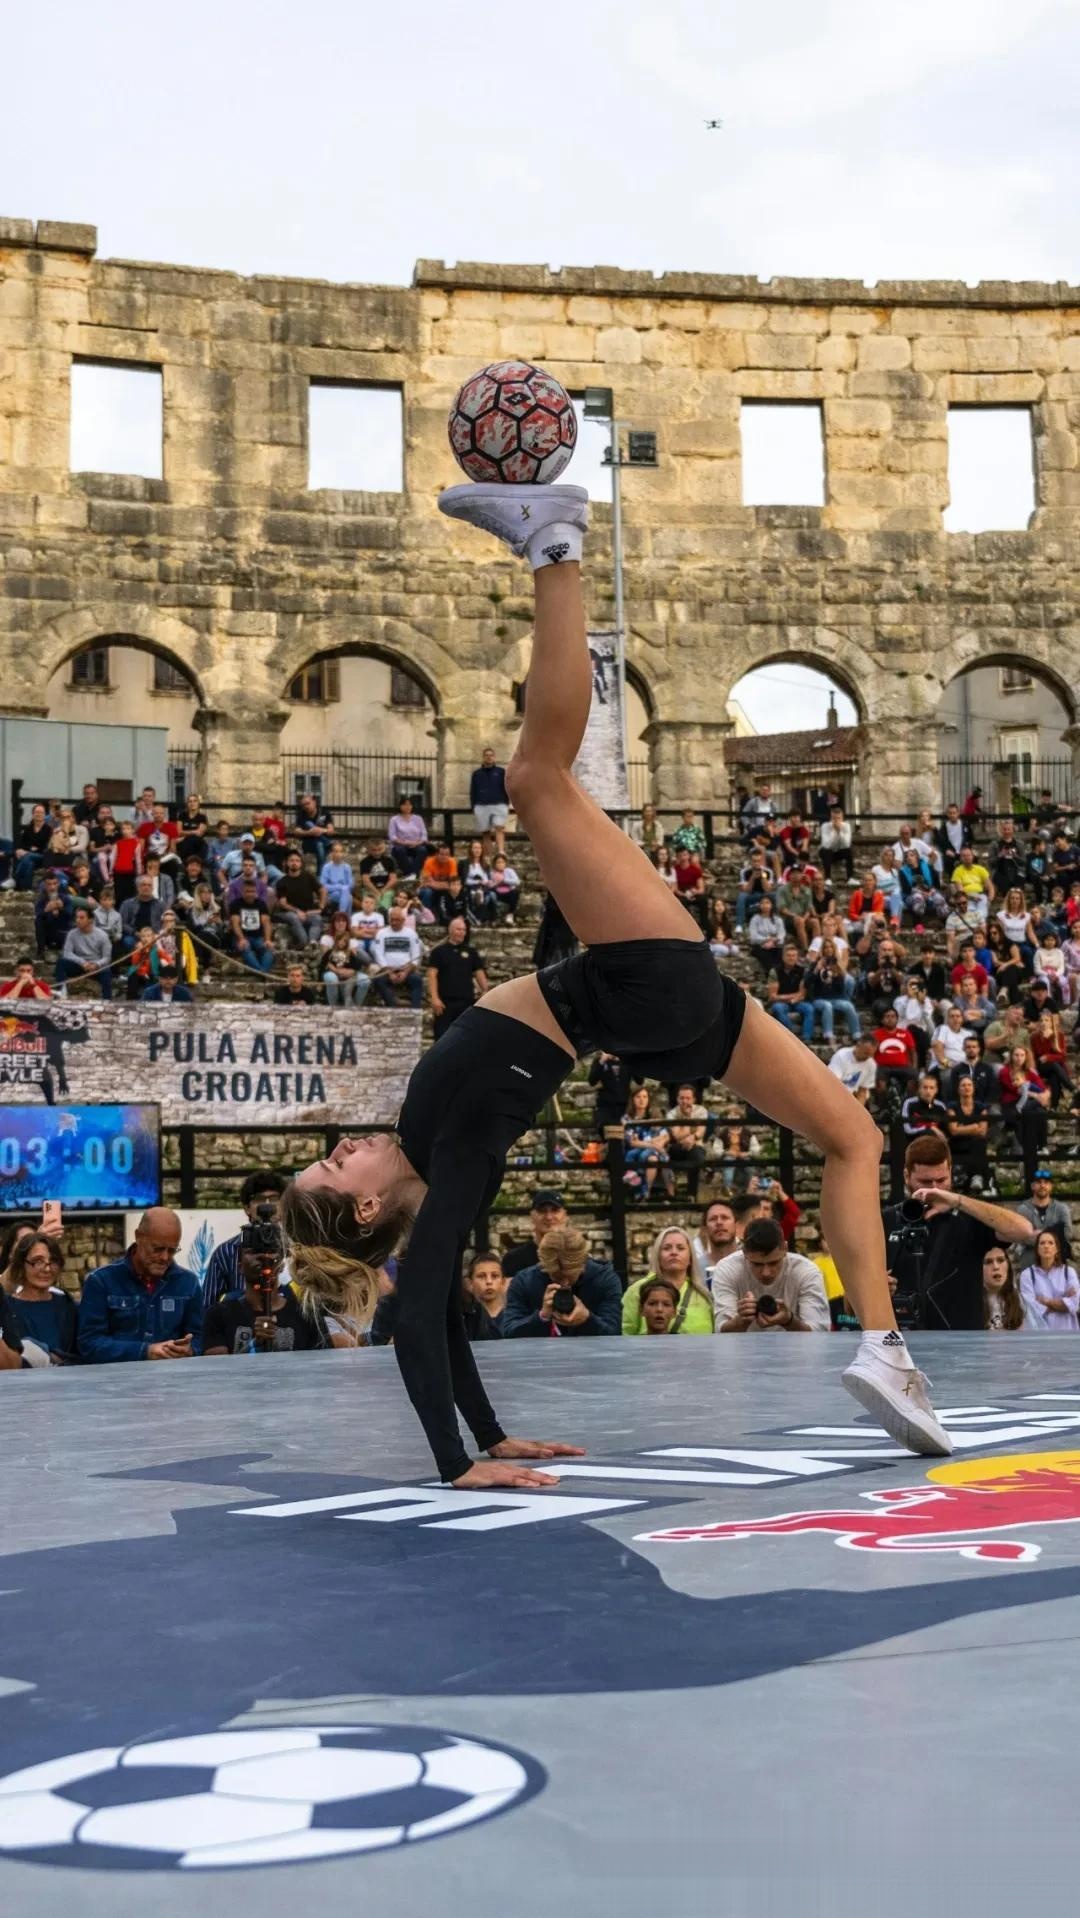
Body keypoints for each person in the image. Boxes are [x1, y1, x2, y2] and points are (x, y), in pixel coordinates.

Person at [281, 473, 951, 1491]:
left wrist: (489, 1437)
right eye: (334, 1169)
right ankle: (553, 542)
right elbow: (416, 1314)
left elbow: (441, 1313)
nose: (342, 1148)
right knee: (535, 777)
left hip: (660, 1023)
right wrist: (457, 1465)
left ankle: (887, 1352)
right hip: (632, 987)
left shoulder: (440, 1155)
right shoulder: (446, 1149)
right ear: (368, 1210)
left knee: (855, 1138)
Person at [881, 1133, 1035, 1333]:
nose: (934, 1189)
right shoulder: (886, 1221)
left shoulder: (968, 1216)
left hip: (962, 1344)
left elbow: (1024, 1230)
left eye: (941, 1180)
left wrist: (957, 1201)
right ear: (906, 1176)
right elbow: (850, 1305)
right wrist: (875, 1290)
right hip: (901, 1341)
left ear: (951, 1172)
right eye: (925, 1182)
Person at [78, 1208, 203, 1362]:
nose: (165, 1257)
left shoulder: (189, 1283)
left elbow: (200, 1338)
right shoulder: (101, 1281)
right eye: (157, 1249)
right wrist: (145, 1352)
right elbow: (89, 1344)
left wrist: (190, 1350)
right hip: (117, 1376)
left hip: (172, 1375)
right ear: (138, 1237)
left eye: (172, 1250)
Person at [202, 1241, 332, 1354]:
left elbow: (320, 1364)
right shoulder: (219, 1315)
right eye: (253, 1252)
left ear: (281, 1266)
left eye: (270, 1251)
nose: (263, 1257)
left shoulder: (308, 1315)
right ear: (240, 1267)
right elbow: (217, 1368)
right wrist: (253, 1346)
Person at [710, 1218, 831, 1332]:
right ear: (744, 1252)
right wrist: (740, 1321)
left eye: (773, 1263)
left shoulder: (806, 1272)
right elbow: (720, 1330)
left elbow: (818, 1332)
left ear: (785, 1248)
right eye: (757, 1264)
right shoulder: (727, 1270)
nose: (766, 1273)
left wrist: (789, 1321)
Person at [502, 1224, 622, 1338]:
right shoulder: (524, 1282)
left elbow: (614, 1333)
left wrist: (587, 1319)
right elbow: (508, 1332)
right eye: (556, 1276)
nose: (564, 1283)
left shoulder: (604, 1279)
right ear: (544, 1265)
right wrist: (542, 1317)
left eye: (570, 1276)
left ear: (583, 1264)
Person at [202, 1172, 288, 1306]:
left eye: (274, 1199)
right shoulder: (226, 1252)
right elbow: (208, 1307)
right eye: (260, 1199)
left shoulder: (297, 1249)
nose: (267, 1205)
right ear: (247, 1208)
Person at [622, 1226, 714, 1334]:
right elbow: (624, 1333)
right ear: (658, 1256)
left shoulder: (704, 1296)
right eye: (667, 1248)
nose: (674, 1252)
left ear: (690, 1258)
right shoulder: (637, 1291)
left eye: (680, 1248)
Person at [7, 1233, 78, 1364]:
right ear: (22, 1264)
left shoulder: (67, 1304)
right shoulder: (8, 1309)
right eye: (38, 1261)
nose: (47, 1269)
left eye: (53, 1261)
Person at [426, 918, 489, 1041]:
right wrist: (434, 998)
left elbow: (479, 972)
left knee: (465, 1038)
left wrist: (485, 990)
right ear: (450, 930)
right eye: (458, 929)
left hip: (466, 1002)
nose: (462, 933)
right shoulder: (438, 952)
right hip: (444, 1003)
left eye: (464, 930)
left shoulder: (471, 952)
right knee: (442, 1038)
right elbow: (432, 975)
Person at [998, 1044, 1051, 1186]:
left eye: (1022, 1055)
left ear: (1026, 1057)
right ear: (1011, 1056)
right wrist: (1038, 1096)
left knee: (1041, 1112)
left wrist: (1045, 1094)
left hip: (1028, 1104)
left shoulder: (1029, 1072)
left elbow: (1042, 1087)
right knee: (1026, 1115)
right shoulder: (1005, 1071)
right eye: (1016, 1055)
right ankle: (1030, 1149)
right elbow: (1016, 1089)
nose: (1019, 1058)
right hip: (1012, 1104)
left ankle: (1042, 1146)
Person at [1019, 1228, 1080, 1331]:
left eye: (1050, 1243)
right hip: (1040, 1334)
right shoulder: (1027, 1275)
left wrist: (1045, 1301)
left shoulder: (1068, 1272)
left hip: (1067, 1332)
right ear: (1037, 1249)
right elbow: (1030, 1308)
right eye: (1042, 1243)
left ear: (1057, 1249)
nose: (1046, 1246)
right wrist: (1063, 1304)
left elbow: (1074, 1304)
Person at [368, 906, 424, 1010]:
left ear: (403, 920)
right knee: (379, 981)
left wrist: (405, 972)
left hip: (406, 969)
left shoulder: (411, 934)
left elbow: (416, 955)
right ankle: (393, 1007)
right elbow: (378, 954)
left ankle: (415, 1011)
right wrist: (389, 972)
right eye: (392, 919)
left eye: (397, 920)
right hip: (387, 969)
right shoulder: (382, 933)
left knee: (417, 981)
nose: (394, 922)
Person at [1015, 1169, 1072, 1272]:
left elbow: (1067, 1233)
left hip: (1056, 1263)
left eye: (1046, 1182)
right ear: (1032, 1186)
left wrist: (1035, 1236)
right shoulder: (1023, 1209)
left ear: (1051, 1186)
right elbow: (1020, 1236)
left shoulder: (1061, 1208)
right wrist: (1054, 1232)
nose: (1042, 1185)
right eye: (1038, 1182)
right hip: (1030, 1263)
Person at [54, 905, 113, 999]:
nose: (78, 920)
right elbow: (67, 953)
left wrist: (96, 964)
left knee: (106, 972)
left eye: (82, 918)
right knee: (61, 963)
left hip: (95, 967)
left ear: (90, 920)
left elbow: (107, 957)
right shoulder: (72, 934)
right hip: (80, 965)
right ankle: (61, 992)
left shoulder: (102, 936)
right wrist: (82, 962)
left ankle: (107, 1000)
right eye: (77, 917)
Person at [945, 1075, 992, 1191]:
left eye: (969, 1085)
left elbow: (982, 1131)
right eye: (963, 1085)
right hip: (957, 1143)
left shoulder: (981, 1107)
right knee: (976, 1143)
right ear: (958, 1089)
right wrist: (974, 1126)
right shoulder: (952, 1106)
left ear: (973, 1088)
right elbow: (953, 1131)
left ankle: (977, 1178)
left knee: (979, 1142)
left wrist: (962, 1128)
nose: (966, 1088)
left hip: (976, 1143)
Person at [469, 747, 510, 852]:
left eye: (491, 755)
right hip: (481, 805)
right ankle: (489, 856)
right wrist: (473, 806)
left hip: (499, 804)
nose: (489, 757)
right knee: (485, 831)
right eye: (486, 755)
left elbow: (507, 787)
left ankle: (501, 852)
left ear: (494, 757)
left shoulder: (501, 772)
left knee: (499, 828)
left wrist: (506, 803)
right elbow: (473, 790)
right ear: (483, 757)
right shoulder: (477, 774)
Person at [982, 1246, 1027, 1331]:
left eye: (1000, 1260)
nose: (996, 1267)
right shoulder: (971, 1304)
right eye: (988, 1262)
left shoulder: (1019, 1301)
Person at [827, 1033, 878, 1105]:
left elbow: (863, 1091)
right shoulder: (841, 1056)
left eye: (871, 1054)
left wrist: (858, 1108)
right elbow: (833, 1084)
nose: (868, 1057)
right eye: (866, 1053)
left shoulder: (871, 1064)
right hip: (833, 1094)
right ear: (858, 1046)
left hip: (852, 1097)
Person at [387, 796, 430, 879]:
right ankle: (410, 874)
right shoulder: (394, 819)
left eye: (410, 804)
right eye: (405, 804)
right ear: (400, 806)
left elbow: (424, 835)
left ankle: (413, 875)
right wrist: (405, 843)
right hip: (400, 844)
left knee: (423, 850)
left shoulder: (418, 818)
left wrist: (417, 843)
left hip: (416, 844)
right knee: (400, 850)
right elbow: (392, 836)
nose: (407, 807)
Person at [465, 1252, 509, 1331]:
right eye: (481, 1276)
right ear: (470, 1283)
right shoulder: (465, 1319)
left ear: (503, 1282)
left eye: (494, 1276)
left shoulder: (513, 1316)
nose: (489, 1281)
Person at [693, 1199, 738, 1274]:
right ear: (705, 1229)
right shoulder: (695, 1269)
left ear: (736, 1225)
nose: (719, 1222)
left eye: (725, 1217)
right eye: (713, 1219)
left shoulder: (750, 1263)